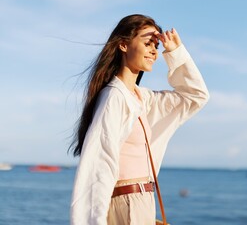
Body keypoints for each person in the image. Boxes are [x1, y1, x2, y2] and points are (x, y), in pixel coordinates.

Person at [69, 14, 209, 225]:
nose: (154, 50)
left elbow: (195, 96)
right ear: (124, 45)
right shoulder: (114, 97)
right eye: (147, 43)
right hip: (127, 202)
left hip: (142, 200)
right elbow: (99, 164)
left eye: (156, 45)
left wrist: (176, 53)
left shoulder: (143, 98)